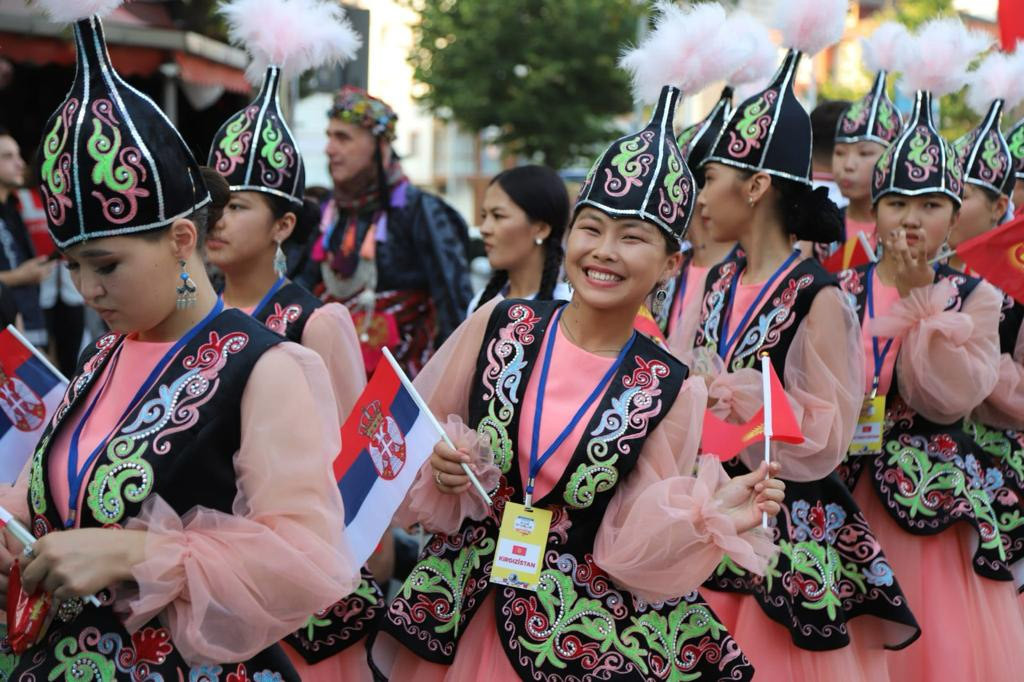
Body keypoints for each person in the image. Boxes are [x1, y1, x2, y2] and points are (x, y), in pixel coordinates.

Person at [370, 5, 787, 678]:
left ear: (671, 265)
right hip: (466, 610)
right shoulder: (501, 325)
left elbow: (634, 540)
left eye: (634, 236)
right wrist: (442, 468)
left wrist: (717, 512)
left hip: (575, 634)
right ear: (568, 236)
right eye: (593, 227)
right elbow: (401, 437)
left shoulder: (669, 385)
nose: (604, 251)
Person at [0, 5, 359, 680]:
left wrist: (134, 555)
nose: (87, 291)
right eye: (73, 267)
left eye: (106, 266)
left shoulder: (268, 365)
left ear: (182, 239)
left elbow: (309, 558)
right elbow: (47, 494)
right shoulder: (104, 355)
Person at [691, 7, 920, 679]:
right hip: (712, 507)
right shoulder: (717, 280)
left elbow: (826, 435)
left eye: (709, 179)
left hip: (780, 521)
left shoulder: (819, 295)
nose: (699, 197)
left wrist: (741, 403)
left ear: (756, 186)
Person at [837, 19, 1024, 682]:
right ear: (874, 211)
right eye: (896, 202)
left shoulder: (976, 296)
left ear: (955, 214)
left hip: (932, 505)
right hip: (845, 498)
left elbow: (950, 393)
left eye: (930, 203)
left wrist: (922, 304)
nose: (911, 219)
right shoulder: (836, 289)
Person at [204, 5, 385, 674]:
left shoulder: (316, 323)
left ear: (283, 226)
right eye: (212, 205)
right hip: (208, 575)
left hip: (300, 593)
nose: (217, 221)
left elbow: (356, 465)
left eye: (239, 206)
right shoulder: (190, 319)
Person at [296, 86, 472, 378]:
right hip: (329, 380)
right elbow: (301, 288)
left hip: (406, 388)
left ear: (380, 147)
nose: (329, 149)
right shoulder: (328, 211)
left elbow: (454, 308)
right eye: (329, 136)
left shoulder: (421, 211)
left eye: (343, 137)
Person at [831, 22, 907, 252]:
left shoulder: (908, 232)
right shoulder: (819, 229)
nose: (848, 165)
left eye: (865, 153)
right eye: (840, 152)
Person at [467, 165, 570, 314]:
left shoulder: (570, 309)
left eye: (498, 216)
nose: (484, 228)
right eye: (484, 216)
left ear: (541, 229)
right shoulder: (480, 303)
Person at [0, 126, 51, 349]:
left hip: (28, 327)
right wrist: (19, 276)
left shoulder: (13, 207)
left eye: (18, 155)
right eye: (7, 157)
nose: (20, 163)